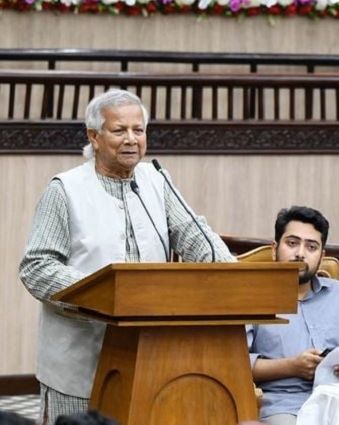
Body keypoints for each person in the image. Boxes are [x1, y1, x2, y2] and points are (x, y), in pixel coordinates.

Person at [18, 89, 235, 424]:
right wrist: (103, 292)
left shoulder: (156, 179)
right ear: (94, 136)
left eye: (139, 130)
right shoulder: (64, 189)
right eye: (120, 130)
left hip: (149, 352)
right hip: (81, 355)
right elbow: (37, 267)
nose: (132, 139)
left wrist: (233, 278)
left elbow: (194, 235)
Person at [246, 206, 339, 425]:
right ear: (275, 249)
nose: (300, 253)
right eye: (292, 243)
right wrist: (292, 366)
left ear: (321, 256)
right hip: (284, 405)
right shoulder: (251, 297)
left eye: (311, 247)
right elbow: (237, 364)